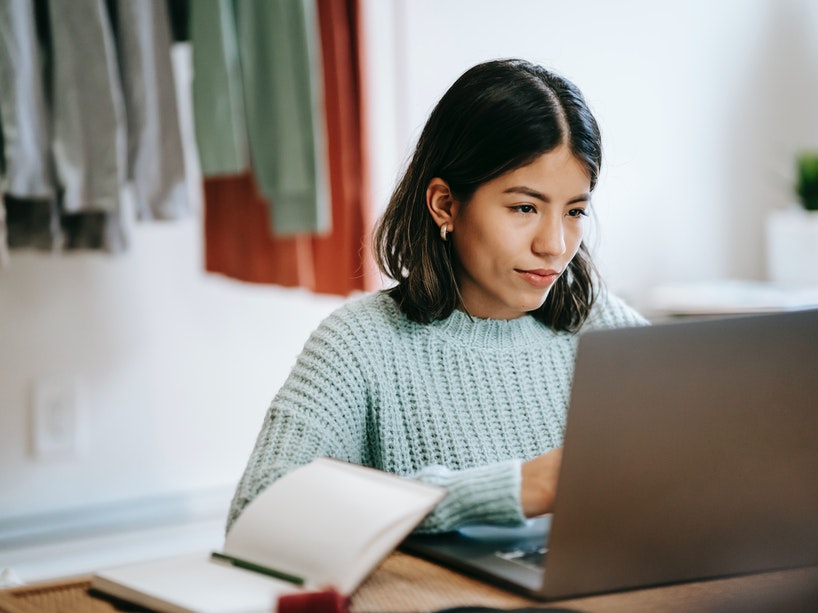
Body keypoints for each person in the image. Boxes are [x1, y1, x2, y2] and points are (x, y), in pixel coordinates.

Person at [227, 58, 648, 534]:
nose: (553, 244)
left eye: (574, 211)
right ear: (445, 204)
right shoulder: (360, 345)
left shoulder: (607, 330)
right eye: (524, 207)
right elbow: (255, 514)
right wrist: (508, 489)